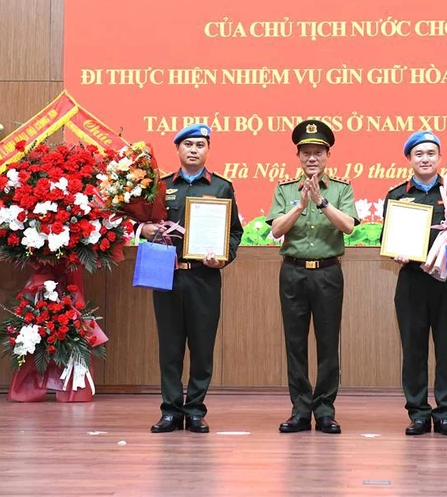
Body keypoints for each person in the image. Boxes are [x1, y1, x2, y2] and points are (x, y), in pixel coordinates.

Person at [141, 123, 243, 433]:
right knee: (170, 348)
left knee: (202, 347)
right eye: (188, 145)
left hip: (204, 278)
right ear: (178, 150)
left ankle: (196, 409)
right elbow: (143, 224)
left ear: (208, 149)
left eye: (200, 145)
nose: (194, 150)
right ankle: (171, 410)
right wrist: (142, 231)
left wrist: (222, 257)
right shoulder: (159, 186)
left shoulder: (221, 187)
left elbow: (235, 232)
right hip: (167, 276)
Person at [266, 119, 359, 434]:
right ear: (298, 156)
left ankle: (325, 411)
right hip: (292, 273)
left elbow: (348, 226)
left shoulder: (342, 189)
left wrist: (320, 201)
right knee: (295, 344)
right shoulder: (285, 189)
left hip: (328, 274)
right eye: (306, 152)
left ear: (328, 155)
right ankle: (300, 410)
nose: (312, 158)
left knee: (328, 344)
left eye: (318, 152)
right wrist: (300, 205)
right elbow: (277, 230)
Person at [382, 131, 447, 436]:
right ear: (409, 159)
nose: (425, 158)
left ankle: (445, 413)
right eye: (419, 153)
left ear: (440, 158)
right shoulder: (397, 195)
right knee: (414, 349)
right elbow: (387, 238)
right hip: (412, 281)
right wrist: (396, 252)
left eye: (431, 153)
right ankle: (418, 413)